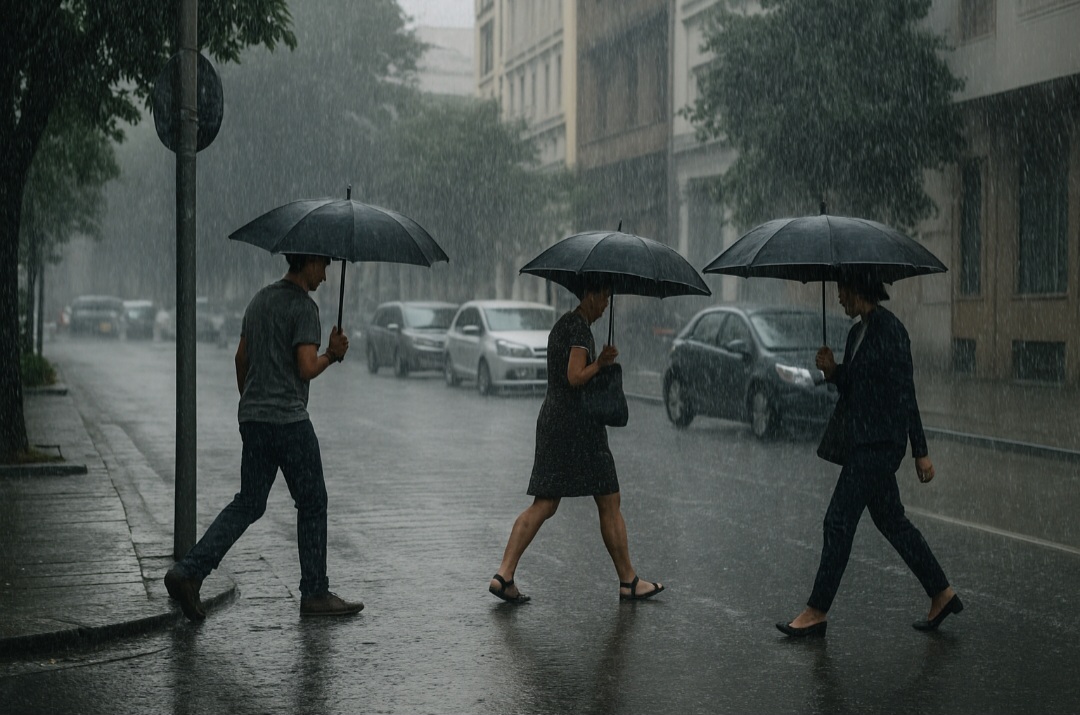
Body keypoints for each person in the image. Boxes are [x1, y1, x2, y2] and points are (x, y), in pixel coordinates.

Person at [164, 253, 364, 620]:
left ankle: (189, 571)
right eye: (323, 265)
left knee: (249, 503)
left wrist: (253, 402)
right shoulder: (304, 307)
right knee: (313, 501)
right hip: (289, 422)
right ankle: (315, 592)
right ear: (308, 261)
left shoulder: (259, 300)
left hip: (254, 420)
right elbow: (306, 367)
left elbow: (241, 358)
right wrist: (332, 354)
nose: (325, 274)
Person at [777, 274, 961, 637]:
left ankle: (816, 611)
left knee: (838, 521)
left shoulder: (890, 331)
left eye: (842, 291)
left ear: (859, 289)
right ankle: (941, 593)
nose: (839, 298)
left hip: (880, 444)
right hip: (863, 441)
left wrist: (920, 451)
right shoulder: (856, 333)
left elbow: (905, 391)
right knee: (892, 521)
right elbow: (856, 385)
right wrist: (833, 371)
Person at [487, 277, 664, 603]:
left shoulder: (563, 325)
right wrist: (601, 363)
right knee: (609, 500)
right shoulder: (580, 330)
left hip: (554, 422)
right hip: (578, 428)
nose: (606, 304)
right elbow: (574, 376)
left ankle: (503, 574)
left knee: (545, 504)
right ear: (591, 295)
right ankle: (628, 581)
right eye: (605, 297)